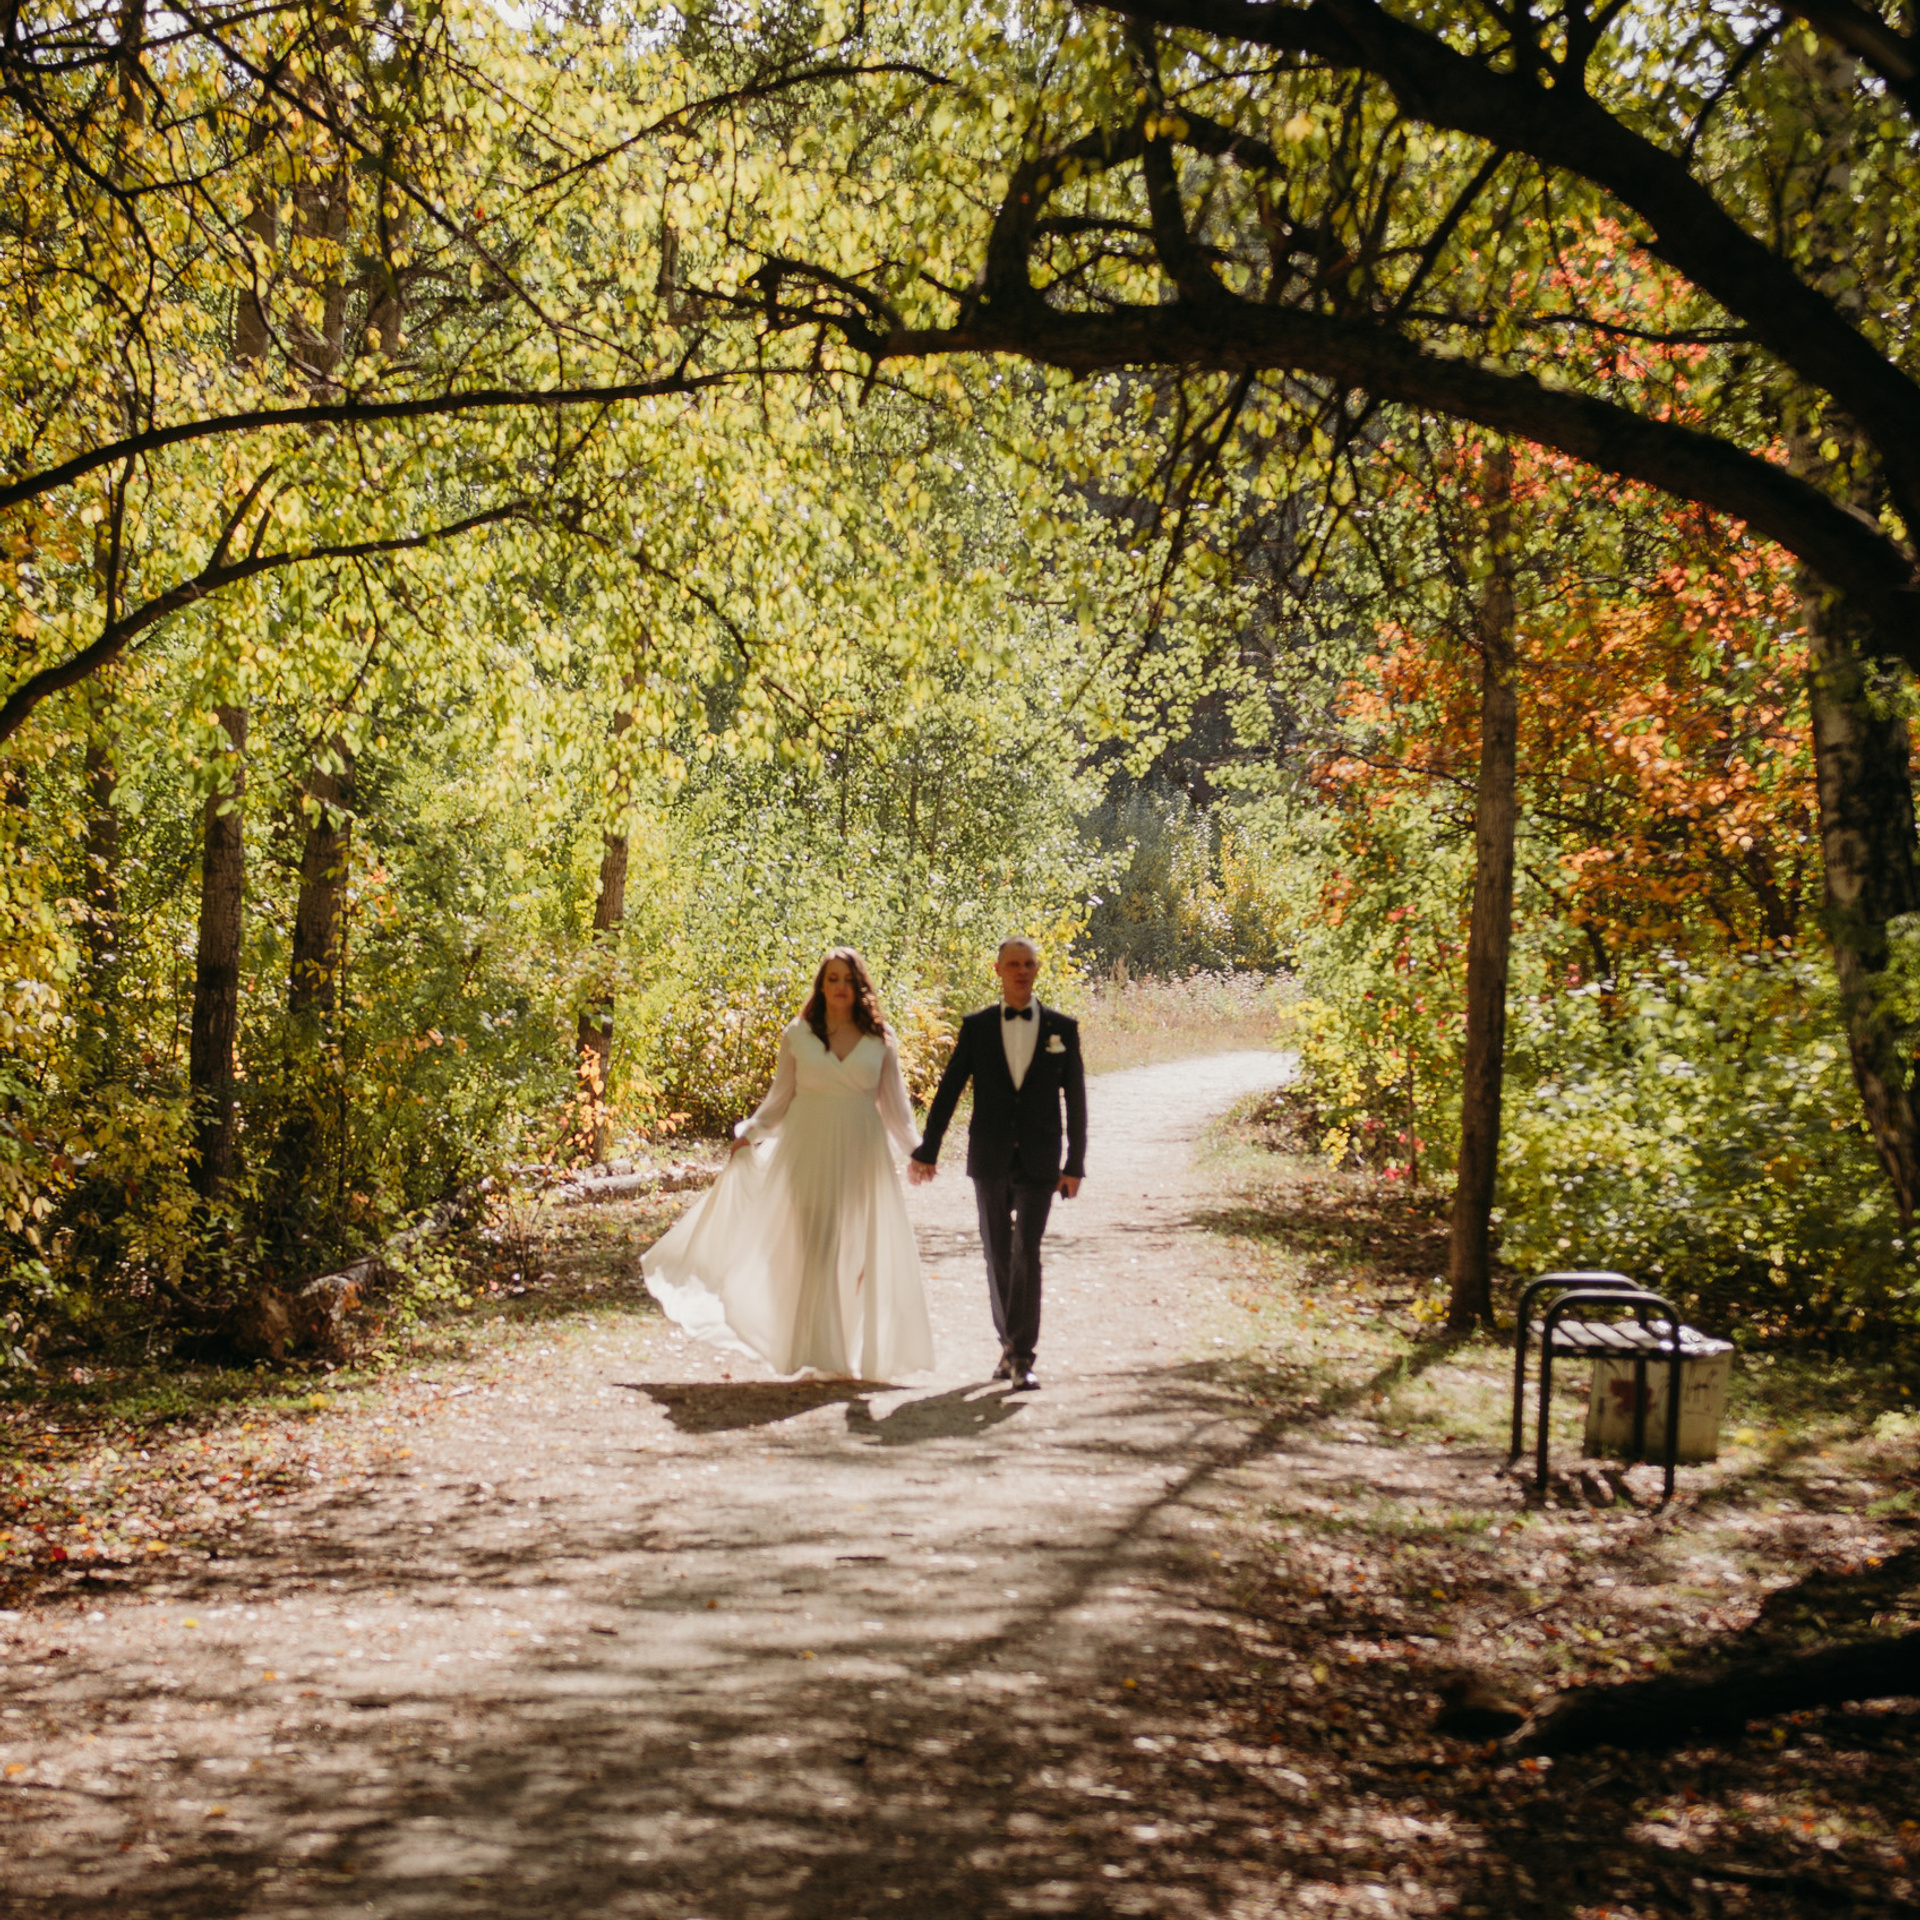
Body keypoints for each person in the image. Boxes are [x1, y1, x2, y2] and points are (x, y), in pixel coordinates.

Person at [642, 949, 934, 1381]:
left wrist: (917, 1151)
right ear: (821, 985)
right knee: (818, 1246)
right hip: (807, 1150)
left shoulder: (880, 1038)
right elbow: (779, 1100)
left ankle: (854, 1347)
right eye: (832, 979)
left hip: (861, 1152)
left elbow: (896, 1108)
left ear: (860, 986)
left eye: (848, 980)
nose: (840, 987)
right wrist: (750, 1133)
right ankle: (821, 1351)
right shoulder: (798, 1035)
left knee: (856, 1253)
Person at [908, 936, 1086, 1392]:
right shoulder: (978, 1027)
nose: (1022, 971)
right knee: (996, 1252)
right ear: (998, 970)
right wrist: (928, 1149)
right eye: (1013, 964)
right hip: (989, 1156)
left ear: (1037, 970)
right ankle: (1008, 1343)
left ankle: (1022, 1355)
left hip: (1041, 1159)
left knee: (1027, 1250)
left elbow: (1076, 1099)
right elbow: (949, 1089)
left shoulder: (1062, 1029)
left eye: (1029, 964)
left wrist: (1074, 1163)